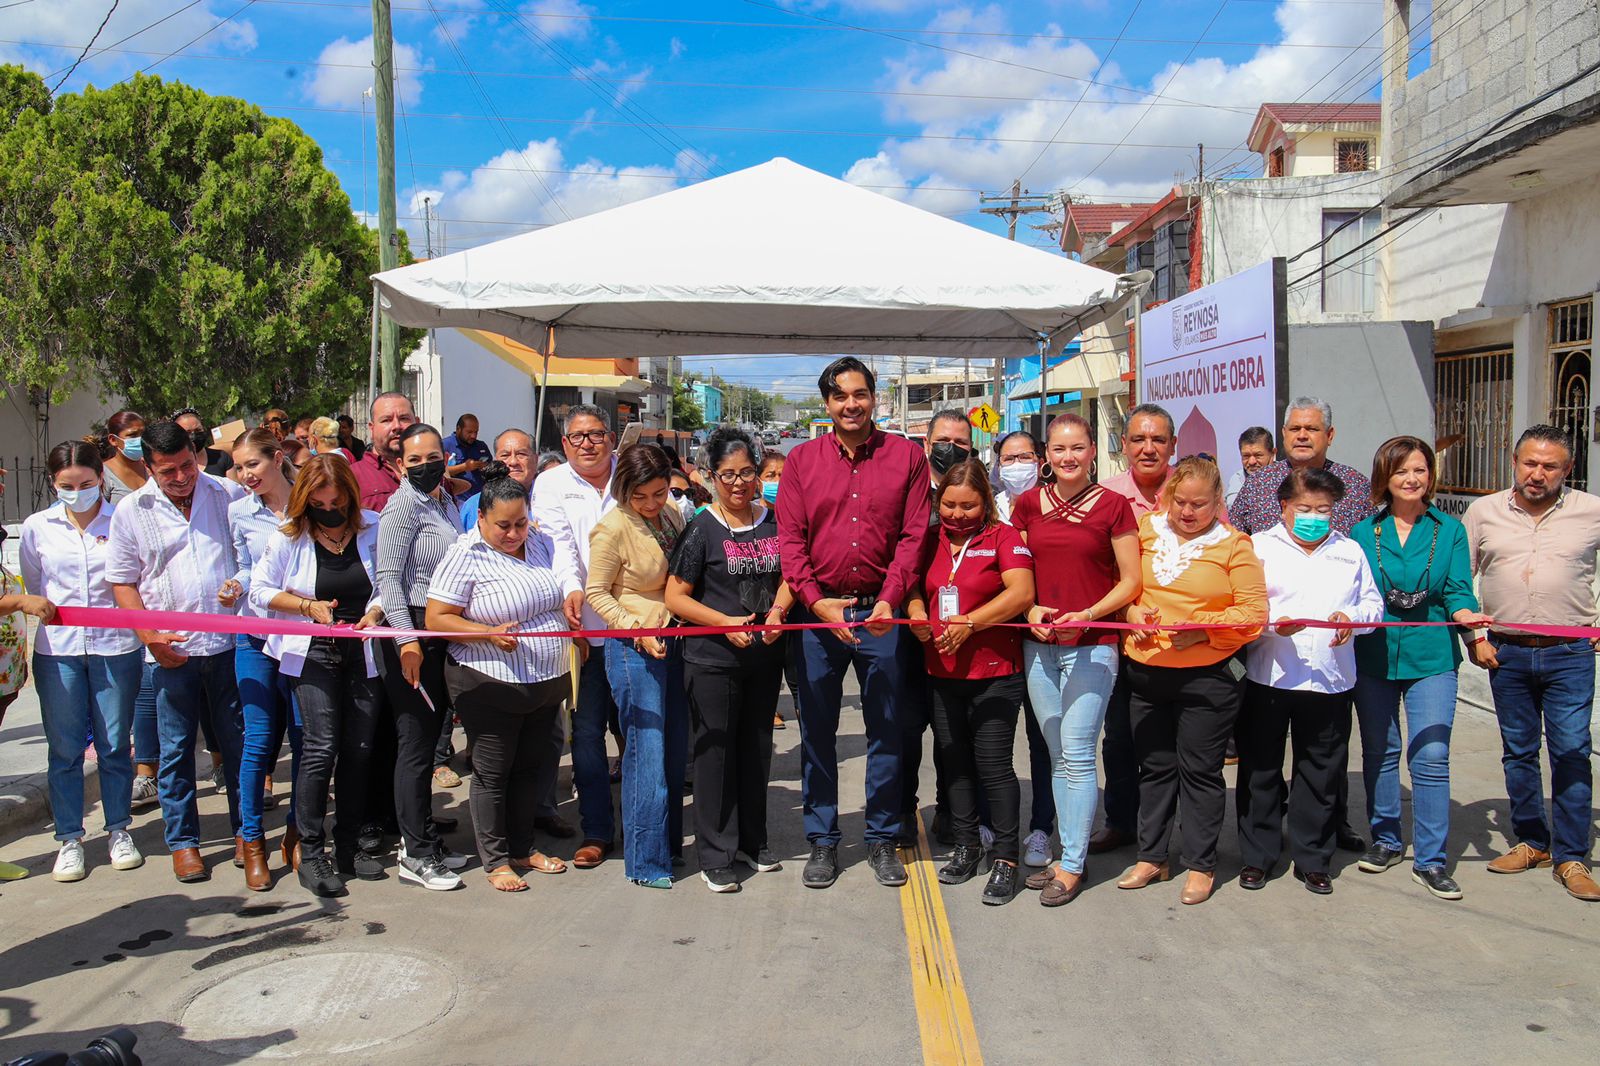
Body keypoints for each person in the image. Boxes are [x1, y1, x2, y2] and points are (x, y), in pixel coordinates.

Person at [777, 357, 933, 890]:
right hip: (817, 615)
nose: (851, 404)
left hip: (880, 614)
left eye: (860, 394)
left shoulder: (907, 457)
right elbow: (790, 542)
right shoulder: (801, 460)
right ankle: (822, 840)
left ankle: (883, 837)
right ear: (827, 403)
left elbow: (914, 537)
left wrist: (890, 599)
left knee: (886, 729)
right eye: (840, 396)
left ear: (874, 397)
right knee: (817, 731)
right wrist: (817, 603)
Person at [1227, 398, 1374, 852]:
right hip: (1269, 663)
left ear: (1330, 434)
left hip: (1331, 662)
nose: (1303, 436)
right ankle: (1260, 847)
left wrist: (1352, 618)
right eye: (1294, 429)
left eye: (1312, 428)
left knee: (1324, 762)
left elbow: (1367, 579)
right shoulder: (1260, 485)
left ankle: (1324, 838)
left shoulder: (1354, 488)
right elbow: (1237, 548)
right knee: (1262, 762)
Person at [1118, 456, 1265, 906]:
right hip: (1146, 671)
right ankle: (1153, 856)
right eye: (1179, 501)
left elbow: (1254, 612)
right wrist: (1131, 612)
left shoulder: (1234, 545)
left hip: (1209, 678)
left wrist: (1203, 627)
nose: (1187, 512)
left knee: (1199, 771)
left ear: (1217, 502)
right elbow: (1121, 587)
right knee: (1155, 767)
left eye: (1199, 504)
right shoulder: (1145, 532)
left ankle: (1200, 863)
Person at [105, 420, 248, 883]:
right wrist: (150, 637)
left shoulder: (228, 495)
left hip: (230, 646)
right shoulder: (131, 511)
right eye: (168, 472)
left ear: (196, 454)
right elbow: (123, 583)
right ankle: (184, 843)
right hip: (170, 653)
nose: (182, 477)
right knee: (176, 750)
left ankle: (247, 834)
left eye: (187, 465)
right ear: (148, 467)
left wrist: (239, 585)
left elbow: (251, 559)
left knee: (238, 745)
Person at [1350, 436, 1489, 901]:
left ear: (1431, 476)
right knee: (1380, 750)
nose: (1412, 479)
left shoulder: (1448, 530)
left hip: (1432, 656)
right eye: (1401, 471)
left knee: (1430, 756)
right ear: (1384, 478)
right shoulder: (1361, 533)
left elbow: (1458, 588)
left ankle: (1430, 861)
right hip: (1373, 657)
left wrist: (1467, 617)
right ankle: (1386, 838)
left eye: (1420, 471)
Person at [1465, 425, 1600, 902]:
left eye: (1550, 466)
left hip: (1571, 655)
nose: (1537, 474)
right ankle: (1532, 841)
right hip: (1508, 652)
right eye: (1529, 463)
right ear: (1514, 460)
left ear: (1567, 470)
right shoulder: (1484, 512)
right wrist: (1476, 636)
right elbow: (1462, 582)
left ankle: (1571, 856)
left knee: (1571, 751)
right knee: (1518, 751)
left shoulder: (1591, 511)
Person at [1012, 414, 1140, 906]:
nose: (1068, 457)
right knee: (1057, 755)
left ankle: (1071, 864)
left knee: (1080, 752)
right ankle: (1069, 850)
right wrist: (1030, 609)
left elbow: (1130, 581)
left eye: (1078, 448)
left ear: (1093, 451)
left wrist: (1087, 614)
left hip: (1093, 645)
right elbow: (1016, 572)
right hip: (1039, 644)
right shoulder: (1026, 505)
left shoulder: (1114, 507)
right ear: (1047, 454)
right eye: (1059, 449)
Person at [427, 463, 572, 893]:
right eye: (503, 526)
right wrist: (485, 632)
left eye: (521, 523)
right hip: (488, 681)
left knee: (530, 768)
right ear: (483, 518)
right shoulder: (464, 553)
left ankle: (523, 848)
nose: (514, 534)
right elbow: (438, 617)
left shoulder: (540, 543)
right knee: (493, 773)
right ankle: (494, 859)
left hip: (544, 678)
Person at [1238, 468, 1383, 895]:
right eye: (1304, 508)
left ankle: (1314, 858)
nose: (1314, 517)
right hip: (1270, 675)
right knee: (1260, 769)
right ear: (1283, 507)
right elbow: (1242, 605)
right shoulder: (1258, 548)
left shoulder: (1350, 551)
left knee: (1320, 772)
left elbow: (1372, 605)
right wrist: (1269, 627)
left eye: (1323, 510)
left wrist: (1352, 621)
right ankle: (1257, 856)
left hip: (1330, 680)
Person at [249, 454, 387, 898]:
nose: (331, 510)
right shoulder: (290, 535)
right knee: (320, 746)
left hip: (362, 649)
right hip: (312, 651)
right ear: (306, 501)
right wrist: (307, 607)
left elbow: (389, 580)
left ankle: (349, 846)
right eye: (321, 503)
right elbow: (260, 592)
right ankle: (311, 852)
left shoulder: (373, 526)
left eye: (338, 502)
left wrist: (375, 610)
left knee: (360, 748)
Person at [664, 428, 791, 893]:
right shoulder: (701, 528)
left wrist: (778, 611)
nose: (738, 483)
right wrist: (723, 623)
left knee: (756, 749)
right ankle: (715, 854)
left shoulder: (774, 520)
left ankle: (752, 842)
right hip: (713, 659)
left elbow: (792, 574)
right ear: (710, 477)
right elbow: (675, 597)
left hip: (764, 657)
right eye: (727, 475)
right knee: (715, 755)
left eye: (747, 473)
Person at [906, 460, 1035, 904]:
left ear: (986, 503)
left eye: (969, 505)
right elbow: (912, 586)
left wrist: (973, 623)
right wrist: (918, 611)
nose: (957, 514)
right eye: (950, 505)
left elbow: (1020, 593)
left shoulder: (1003, 538)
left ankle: (1005, 858)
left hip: (995, 673)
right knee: (954, 763)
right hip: (942, 673)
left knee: (994, 767)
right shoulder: (928, 539)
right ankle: (966, 845)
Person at [21, 442, 144, 882]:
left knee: (113, 744)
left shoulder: (124, 520)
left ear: (100, 479)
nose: (77, 493)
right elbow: (35, 585)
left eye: (86, 484)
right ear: (54, 485)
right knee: (65, 749)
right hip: (60, 651)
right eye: (66, 486)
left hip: (116, 648)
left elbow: (134, 580)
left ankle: (118, 830)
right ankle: (70, 838)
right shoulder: (38, 527)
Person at [454, 429, 573, 832]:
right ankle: (499, 843)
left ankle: (538, 817)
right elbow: (452, 602)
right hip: (493, 673)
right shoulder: (474, 512)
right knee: (497, 762)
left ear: (535, 458)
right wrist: (486, 632)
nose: (514, 459)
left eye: (522, 453)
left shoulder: (546, 508)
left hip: (546, 672)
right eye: (505, 453)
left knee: (541, 750)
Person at [586, 444, 688, 889]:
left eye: (659, 493)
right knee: (646, 748)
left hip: (674, 639)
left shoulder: (672, 517)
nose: (650, 504)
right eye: (640, 496)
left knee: (674, 747)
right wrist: (634, 627)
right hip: (632, 648)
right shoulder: (611, 529)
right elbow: (597, 592)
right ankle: (646, 861)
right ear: (623, 489)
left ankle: (667, 845)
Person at [376, 423, 469, 890]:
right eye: (414, 460)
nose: (425, 465)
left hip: (438, 630)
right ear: (399, 465)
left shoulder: (444, 501)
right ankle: (414, 853)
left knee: (429, 739)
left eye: (433, 456)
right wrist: (405, 639)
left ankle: (427, 840)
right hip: (410, 631)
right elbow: (388, 577)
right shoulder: (401, 507)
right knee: (415, 745)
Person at [532, 404, 623, 869]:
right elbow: (558, 547)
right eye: (577, 437)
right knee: (586, 738)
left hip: (634, 630)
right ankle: (598, 831)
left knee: (639, 735)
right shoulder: (549, 485)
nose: (588, 443)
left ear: (611, 438)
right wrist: (572, 592)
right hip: (580, 631)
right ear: (565, 444)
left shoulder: (629, 477)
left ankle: (648, 826)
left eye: (596, 434)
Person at [1089, 403, 1177, 856]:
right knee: (1120, 735)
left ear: (1173, 446)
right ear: (1123, 446)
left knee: (1172, 743)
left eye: (1158, 440)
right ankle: (1121, 821)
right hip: (1121, 637)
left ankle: (1165, 829)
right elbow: (1097, 570)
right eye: (1139, 439)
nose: (1148, 448)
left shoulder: (1193, 493)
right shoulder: (1104, 495)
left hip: (1180, 644)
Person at [224, 428, 304, 890]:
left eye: (252, 464)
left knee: (304, 738)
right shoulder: (239, 511)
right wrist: (235, 585)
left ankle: (297, 831)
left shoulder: (308, 501)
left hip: (300, 641)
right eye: (238, 467)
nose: (245, 474)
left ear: (276, 459)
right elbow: (244, 565)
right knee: (257, 741)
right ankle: (251, 838)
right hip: (254, 637)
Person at [990, 429, 1058, 865]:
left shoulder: (1056, 503)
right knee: (991, 738)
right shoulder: (986, 507)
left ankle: (1041, 829)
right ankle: (989, 823)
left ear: (1041, 461)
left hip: (1041, 638)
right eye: (1009, 458)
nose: (1018, 465)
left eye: (1026, 456)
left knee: (1043, 737)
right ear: (997, 464)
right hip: (995, 635)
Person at [94, 410, 159, 812]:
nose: (138, 440)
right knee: (137, 694)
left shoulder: (154, 472)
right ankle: (144, 774)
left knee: (151, 688)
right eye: (132, 435)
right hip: (120, 599)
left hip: (159, 596)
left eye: (143, 434)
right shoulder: (100, 479)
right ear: (115, 440)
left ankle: (153, 769)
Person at [758, 450, 796, 730]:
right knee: (766, 667)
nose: (777, 482)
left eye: (783, 476)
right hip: (762, 607)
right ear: (758, 481)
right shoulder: (751, 518)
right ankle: (767, 708)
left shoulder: (796, 515)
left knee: (795, 667)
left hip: (794, 605)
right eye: (770, 476)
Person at [352, 392, 420, 512]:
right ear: (372, 428)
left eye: (404, 418)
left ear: (417, 423)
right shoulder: (352, 477)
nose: (396, 426)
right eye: (386, 420)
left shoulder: (433, 472)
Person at [98, 410, 149, 505]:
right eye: (132, 435)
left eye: (143, 433)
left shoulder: (151, 467)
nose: (140, 439)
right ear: (113, 440)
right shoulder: (103, 474)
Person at [443, 413, 492, 502]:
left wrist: (485, 467)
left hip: (480, 499)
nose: (473, 436)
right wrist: (465, 467)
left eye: (476, 432)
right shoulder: (445, 445)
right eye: (469, 432)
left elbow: (491, 469)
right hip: (457, 500)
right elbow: (441, 472)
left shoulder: (481, 446)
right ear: (458, 429)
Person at [173, 408, 232, 478]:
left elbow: (235, 487)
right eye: (187, 433)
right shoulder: (173, 466)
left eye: (198, 430)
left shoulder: (221, 457)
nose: (193, 436)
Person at [1225, 427, 1275, 509]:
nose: (1252, 462)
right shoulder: (1238, 479)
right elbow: (1234, 510)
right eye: (1246, 456)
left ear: (1273, 454)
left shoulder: (1285, 477)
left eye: (1258, 455)